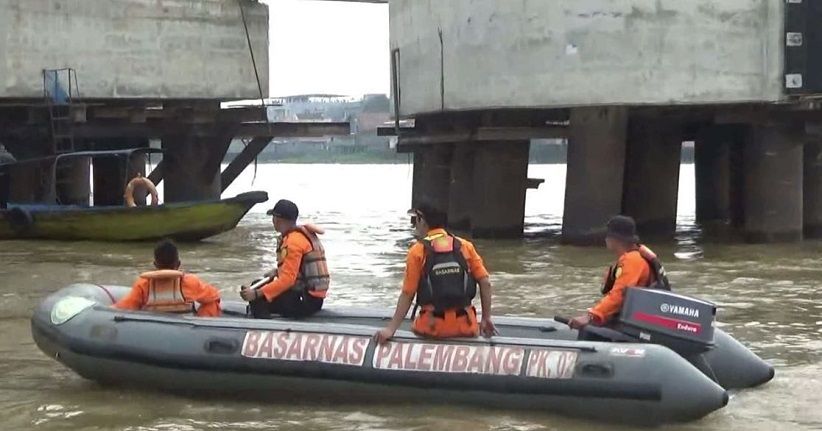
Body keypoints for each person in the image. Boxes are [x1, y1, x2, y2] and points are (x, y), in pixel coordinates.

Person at [374, 203, 496, 344]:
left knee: (418, 326)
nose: (415, 225)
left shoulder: (418, 251)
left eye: (415, 220)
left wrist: (390, 329)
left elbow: (408, 294)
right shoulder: (465, 246)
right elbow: (485, 282)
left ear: (422, 220)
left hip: (432, 329)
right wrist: (486, 318)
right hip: (466, 327)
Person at [568, 215, 669, 329]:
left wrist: (591, 316)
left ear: (615, 239)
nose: (605, 239)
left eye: (607, 235)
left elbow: (619, 294)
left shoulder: (632, 260)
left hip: (635, 326)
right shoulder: (632, 258)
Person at [240, 199, 330, 318]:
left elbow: (288, 280)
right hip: (312, 298)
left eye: (273, 218)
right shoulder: (299, 236)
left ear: (278, 219)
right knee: (258, 285)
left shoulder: (293, 242)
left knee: (259, 297)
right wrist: (277, 272)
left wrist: (256, 294)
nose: (273, 221)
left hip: (305, 301)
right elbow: (297, 269)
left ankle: (264, 327)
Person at [114, 239, 221, 317]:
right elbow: (214, 297)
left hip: (152, 332)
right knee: (212, 303)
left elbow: (124, 308)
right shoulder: (191, 282)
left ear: (155, 264)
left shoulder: (143, 284)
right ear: (178, 264)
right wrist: (201, 319)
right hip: (187, 332)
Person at [0, 144, 16, 209]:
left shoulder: (6, 155)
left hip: (4, 177)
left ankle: (3, 210)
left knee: (3, 196)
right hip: (4, 176)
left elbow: (13, 161)